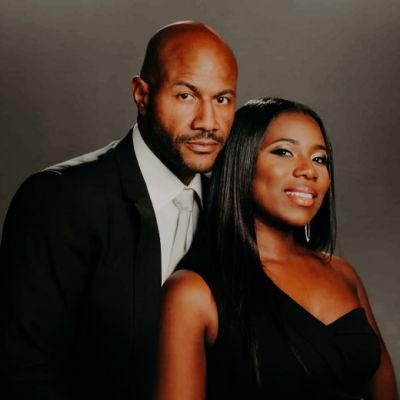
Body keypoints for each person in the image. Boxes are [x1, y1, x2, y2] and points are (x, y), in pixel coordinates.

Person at [0, 21, 238, 400]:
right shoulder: (59, 198)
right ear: (142, 95)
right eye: (186, 95)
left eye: (222, 100)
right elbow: (24, 371)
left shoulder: (230, 210)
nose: (208, 122)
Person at [154, 97, 398, 399]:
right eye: (284, 152)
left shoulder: (343, 273)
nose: (309, 171)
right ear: (241, 162)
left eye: (320, 159)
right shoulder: (192, 293)